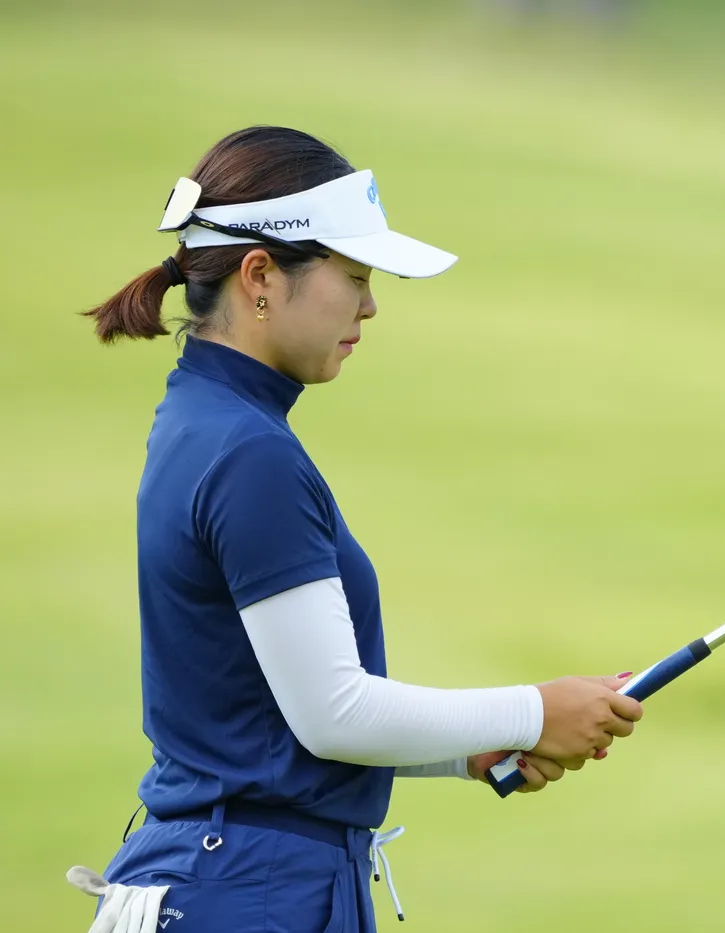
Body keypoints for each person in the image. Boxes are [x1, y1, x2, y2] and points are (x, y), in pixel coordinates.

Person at [68, 125, 644, 933]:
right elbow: (333, 711)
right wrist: (533, 711)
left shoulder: (205, 416)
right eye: (354, 277)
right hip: (248, 893)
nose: (370, 305)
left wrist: (465, 752)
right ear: (260, 276)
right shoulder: (249, 453)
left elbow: (264, 720)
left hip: (231, 880)